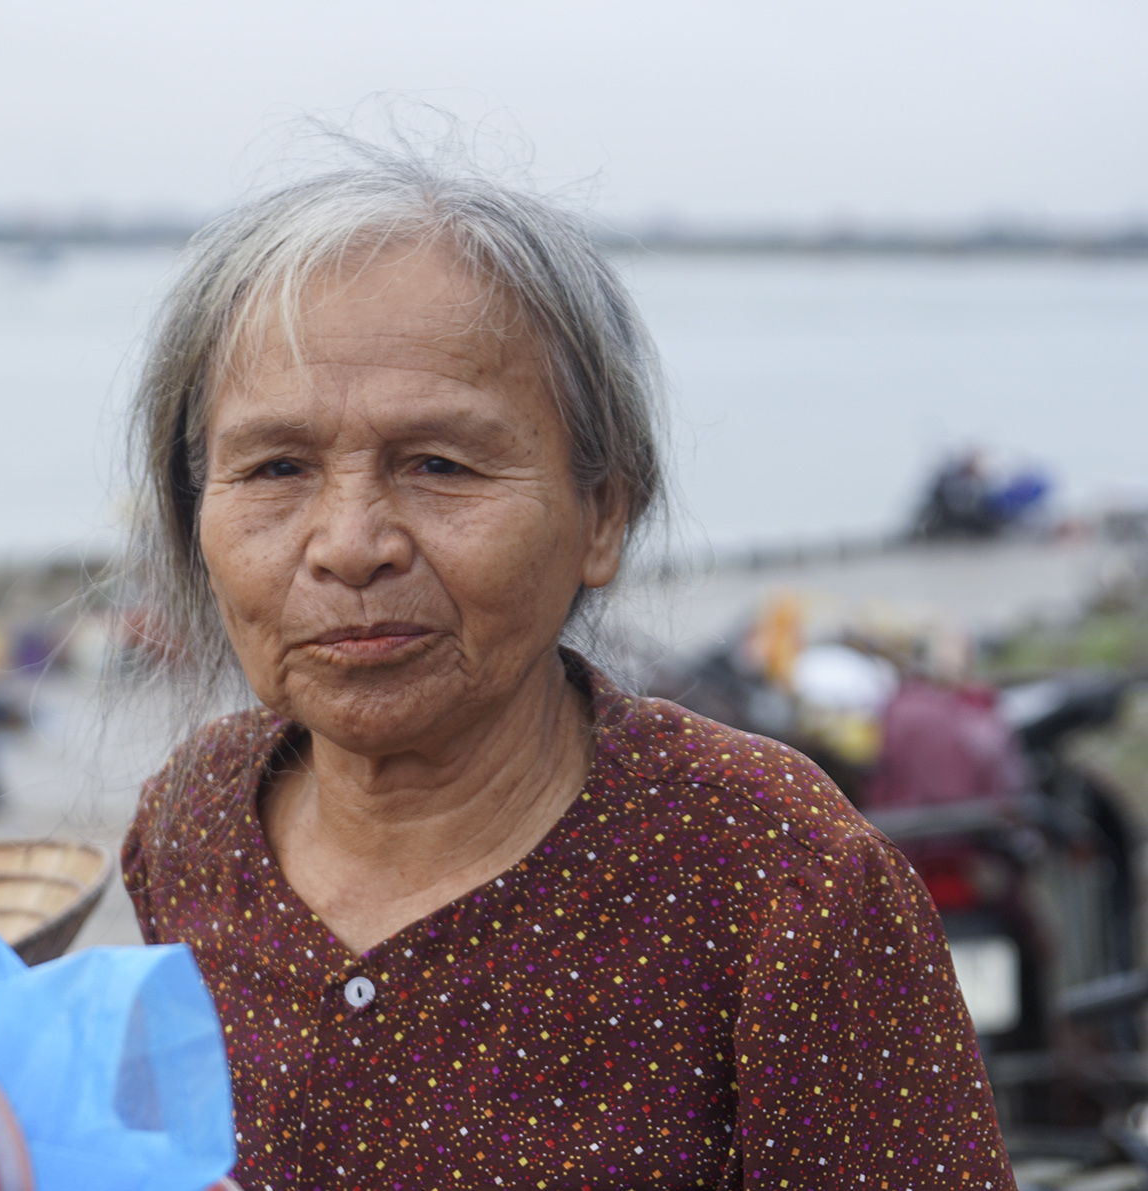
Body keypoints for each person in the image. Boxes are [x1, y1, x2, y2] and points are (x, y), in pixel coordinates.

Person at [119, 152, 1012, 1189]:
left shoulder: (779, 880)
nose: (350, 544)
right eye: (276, 468)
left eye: (440, 465)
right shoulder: (191, 823)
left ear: (603, 515)